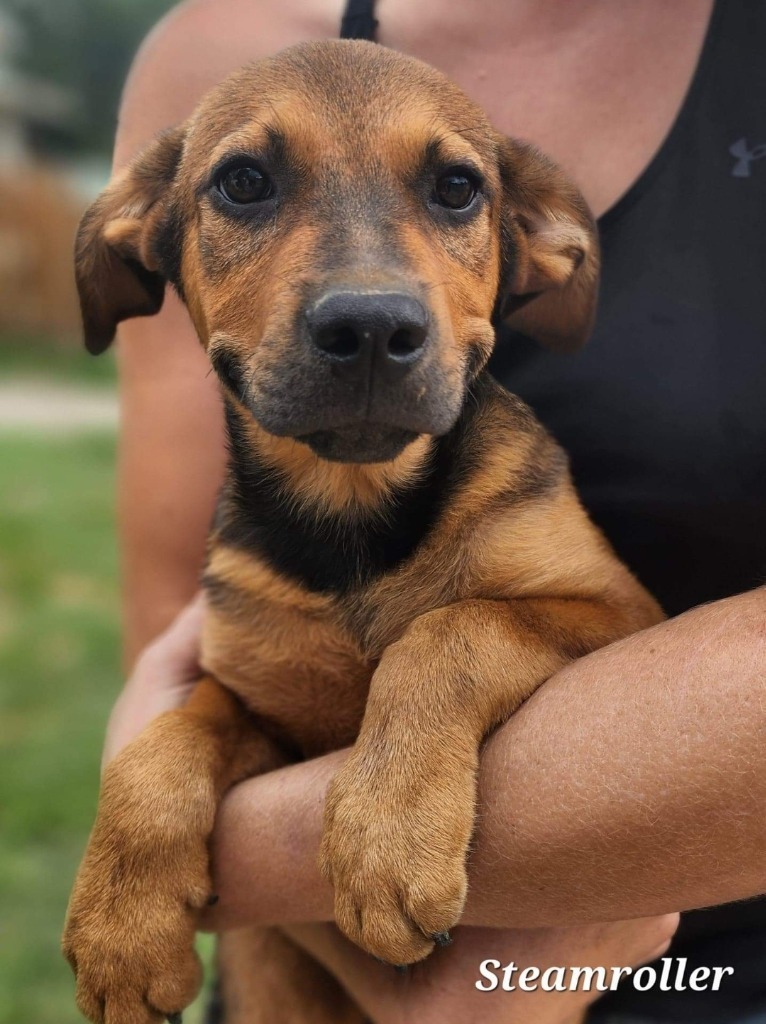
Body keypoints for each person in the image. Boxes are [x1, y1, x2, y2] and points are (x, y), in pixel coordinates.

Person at [105, 0, 766, 1020]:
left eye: (453, 189)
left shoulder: (518, 509)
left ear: (540, 249)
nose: (368, 295)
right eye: (248, 184)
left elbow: (610, 626)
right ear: (136, 243)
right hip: (308, 971)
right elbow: (183, 673)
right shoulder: (220, 44)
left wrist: (440, 674)